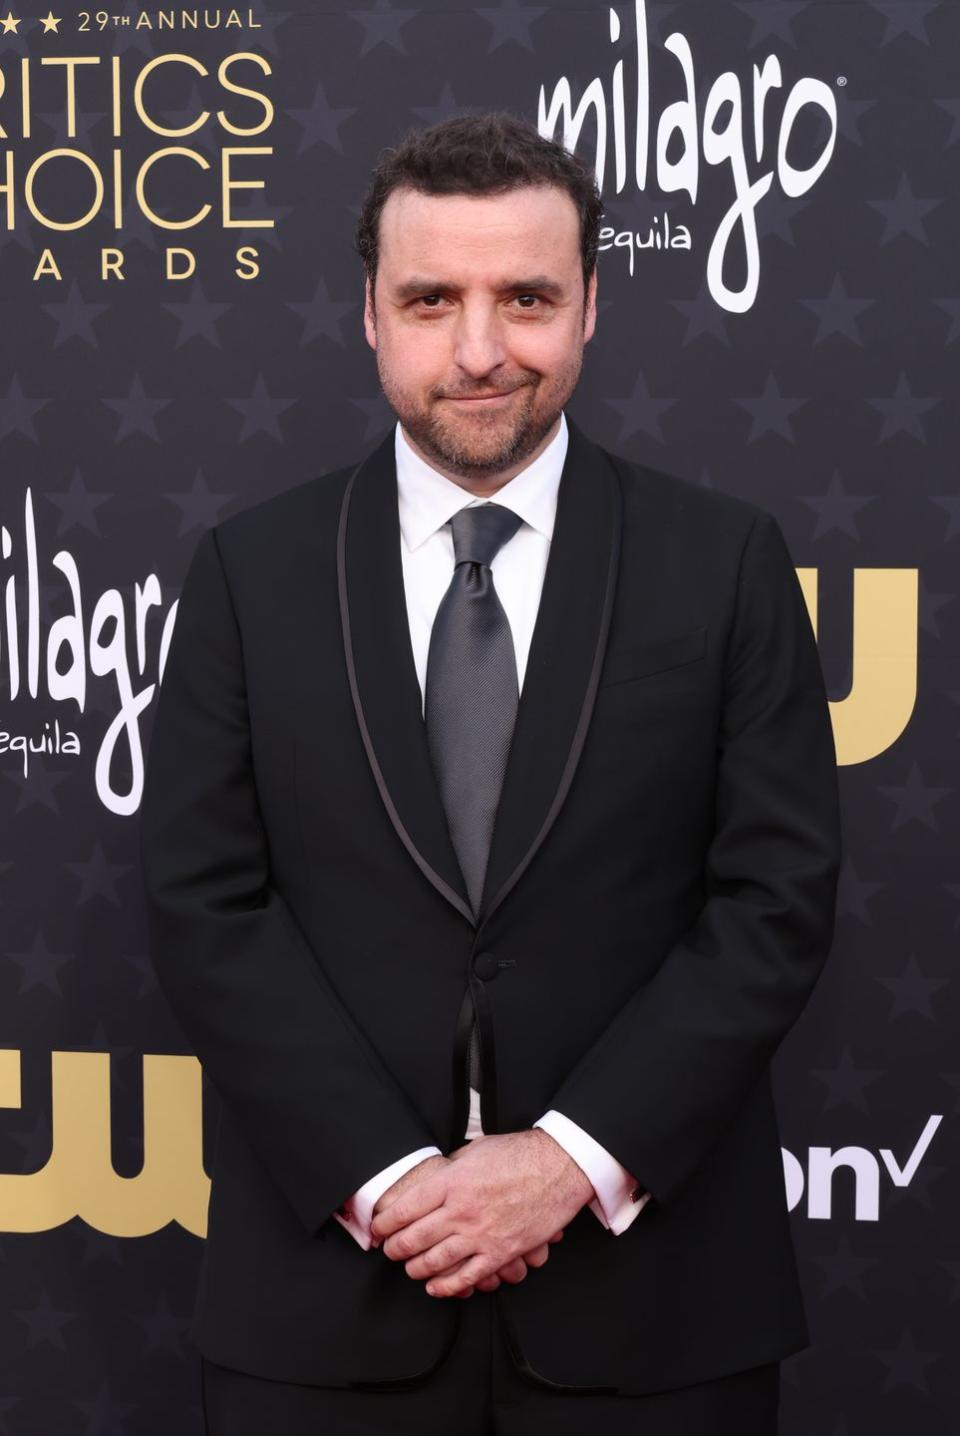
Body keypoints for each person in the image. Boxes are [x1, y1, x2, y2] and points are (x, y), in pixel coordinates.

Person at [139, 110, 842, 1434]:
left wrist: (569, 1163)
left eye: (525, 297)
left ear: (591, 307)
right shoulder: (250, 571)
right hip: (324, 1320)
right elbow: (204, 907)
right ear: (368, 314)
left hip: (660, 1318)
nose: (479, 350)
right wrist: (392, 1179)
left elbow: (774, 905)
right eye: (430, 299)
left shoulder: (728, 562)